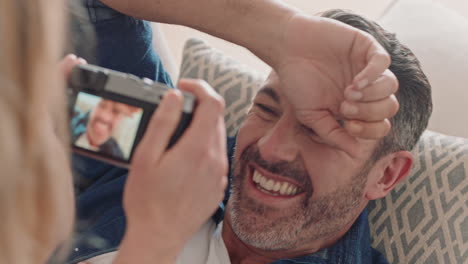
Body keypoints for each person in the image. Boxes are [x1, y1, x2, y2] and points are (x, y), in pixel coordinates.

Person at [0, 1, 398, 264]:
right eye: (266, 109)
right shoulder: (164, 148)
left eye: (318, 132)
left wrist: (155, 239)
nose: (270, 147)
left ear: (387, 174)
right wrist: (277, 31)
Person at [72, 98, 141, 159]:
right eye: (102, 105)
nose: (104, 116)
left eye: (116, 111)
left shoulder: (117, 156)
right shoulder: (69, 116)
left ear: (122, 119)